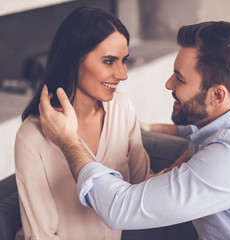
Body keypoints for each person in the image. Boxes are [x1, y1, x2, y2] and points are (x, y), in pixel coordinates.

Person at [39, 21, 230, 239]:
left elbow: (120, 209)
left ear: (217, 95)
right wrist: (145, 127)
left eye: (180, 78)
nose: (168, 83)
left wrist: (68, 140)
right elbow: (194, 130)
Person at [14, 6, 163, 240]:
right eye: (109, 61)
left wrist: (182, 170)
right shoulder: (32, 136)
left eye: (124, 60)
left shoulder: (121, 109)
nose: (122, 74)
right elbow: (42, 235)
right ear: (73, 59)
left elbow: (140, 190)